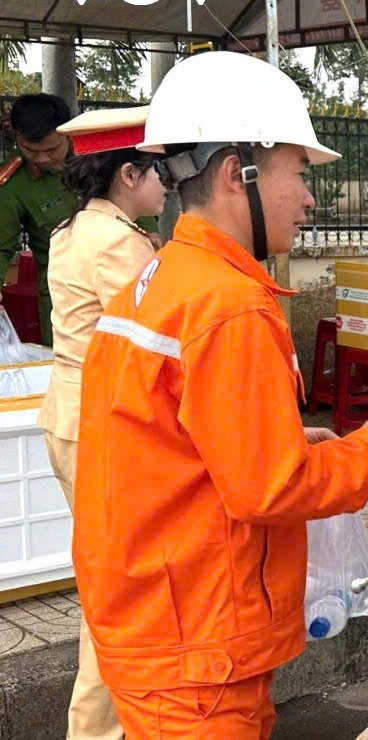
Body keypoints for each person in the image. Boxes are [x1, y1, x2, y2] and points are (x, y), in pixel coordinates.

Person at [72, 51, 368, 739]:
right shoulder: (230, 306)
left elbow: (175, 445)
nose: (311, 197)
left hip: (155, 614)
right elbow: (271, 489)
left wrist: (282, 441)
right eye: (298, 172)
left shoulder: (163, 280)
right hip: (196, 644)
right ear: (239, 173)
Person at [37, 106, 166, 740]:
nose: (167, 187)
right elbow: (152, 339)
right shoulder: (122, 243)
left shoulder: (71, 231)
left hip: (68, 417)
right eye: (159, 174)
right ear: (129, 175)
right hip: (104, 428)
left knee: (105, 583)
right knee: (116, 596)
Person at [0, 94, 160, 346]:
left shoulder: (98, 156)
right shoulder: (14, 185)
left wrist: (150, 236)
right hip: (66, 302)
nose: (42, 158)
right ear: (16, 137)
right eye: (31, 150)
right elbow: (1, 247)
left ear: (67, 134)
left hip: (125, 278)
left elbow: (136, 196)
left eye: (52, 149)